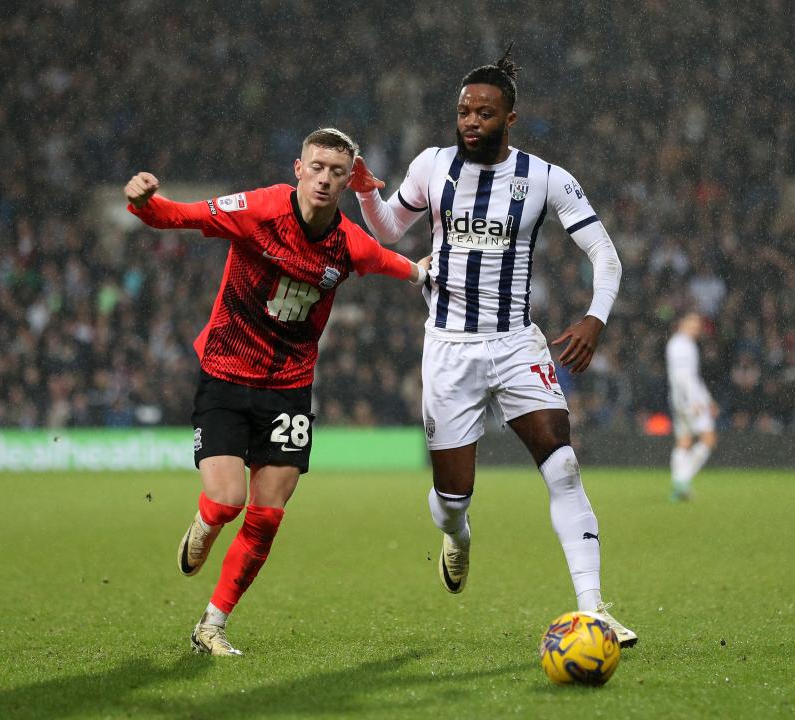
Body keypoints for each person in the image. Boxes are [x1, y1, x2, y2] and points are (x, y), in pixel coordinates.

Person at [348, 48, 637, 647]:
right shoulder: (432, 166)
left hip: (515, 343)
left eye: (484, 112)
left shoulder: (545, 178)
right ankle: (457, 532)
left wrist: (594, 318)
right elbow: (388, 231)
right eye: (463, 111)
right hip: (449, 349)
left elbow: (605, 255)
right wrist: (364, 193)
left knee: (562, 463)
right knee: (453, 498)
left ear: (510, 118)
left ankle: (593, 608)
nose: (471, 121)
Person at [125, 128, 430, 656]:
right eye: (317, 167)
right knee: (227, 502)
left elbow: (390, 261)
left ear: (345, 179)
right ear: (298, 168)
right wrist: (144, 203)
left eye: (337, 172)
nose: (325, 179)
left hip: (289, 390)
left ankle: (212, 625)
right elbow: (180, 216)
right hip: (225, 371)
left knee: (266, 517)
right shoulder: (259, 209)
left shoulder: (349, 243)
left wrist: (419, 273)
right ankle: (205, 521)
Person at [666, 311, 717, 500]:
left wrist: (708, 399)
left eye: (698, 325)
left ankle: (680, 484)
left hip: (683, 400)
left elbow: (693, 378)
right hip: (688, 401)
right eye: (692, 324)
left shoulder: (685, 344)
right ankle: (682, 480)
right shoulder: (680, 345)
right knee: (708, 439)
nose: (696, 328)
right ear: (682, 324)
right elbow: (682, 378)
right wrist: (693, 402)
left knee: (684, 441)